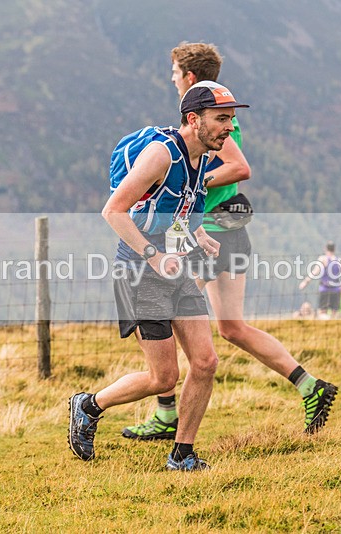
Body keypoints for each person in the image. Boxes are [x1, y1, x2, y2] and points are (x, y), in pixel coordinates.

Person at [121, 42, 337, 440]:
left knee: (162, 319)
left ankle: (167, 416)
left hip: (214, 231)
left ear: (188, 76)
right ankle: (310, 386)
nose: (170, 79)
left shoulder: (211, 120)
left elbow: (239, 166)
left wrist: (188, 183)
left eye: (173, 73)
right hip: (231, 225)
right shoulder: (219, 113)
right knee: (232, 326)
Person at [68, 81, 249, 471]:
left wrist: (200, 236)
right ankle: (88, 405)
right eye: (221, 119)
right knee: (163, 377)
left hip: (175, 267)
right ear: (193, 118)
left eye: (231, 120)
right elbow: (114, 211)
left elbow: (180, 212)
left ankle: (182, 454)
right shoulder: (160, 155)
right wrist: (152, 256)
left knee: (205, 362)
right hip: (139, 271)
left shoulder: (204, 159)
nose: (229, 128)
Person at [299, 241, 341, 319]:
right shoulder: (339, 261)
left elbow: (315, 271)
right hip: (336, 290)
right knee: (334, 314)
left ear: (325, 249)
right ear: (334, 249)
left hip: (325, 289)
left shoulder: (323, 259)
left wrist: (305, 282)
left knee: (322, 312)